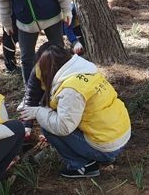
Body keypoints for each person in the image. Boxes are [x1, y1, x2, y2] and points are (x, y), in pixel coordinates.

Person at [19, 45, 131, 178]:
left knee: (48, 125)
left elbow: (63, 127)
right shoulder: (84, 70)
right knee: (52, 116)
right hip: (119, 135)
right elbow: (33, 91)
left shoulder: (71, 90)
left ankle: (81, 165)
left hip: (106, 146)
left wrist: (38, 112)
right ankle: (101, 155)